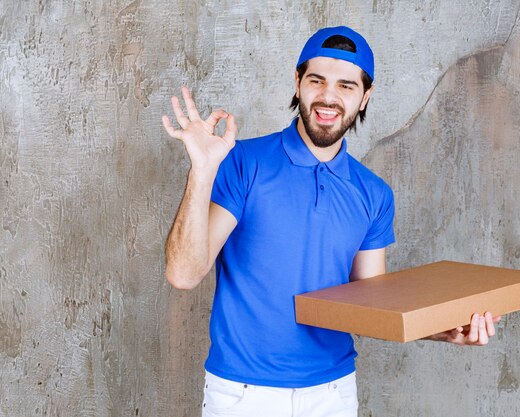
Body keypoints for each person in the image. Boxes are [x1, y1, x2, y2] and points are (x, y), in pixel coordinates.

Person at [162, 26, 500, 417]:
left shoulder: (373, 194)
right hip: (242, 392)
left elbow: (372, 304)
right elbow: (183, 275)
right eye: (317, 80)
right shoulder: (242, 162)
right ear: (298, 83)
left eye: (346, 86)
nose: (328, 97)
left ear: (365, 96)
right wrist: (203, 170)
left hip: (332, 394)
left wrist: (440, 328)